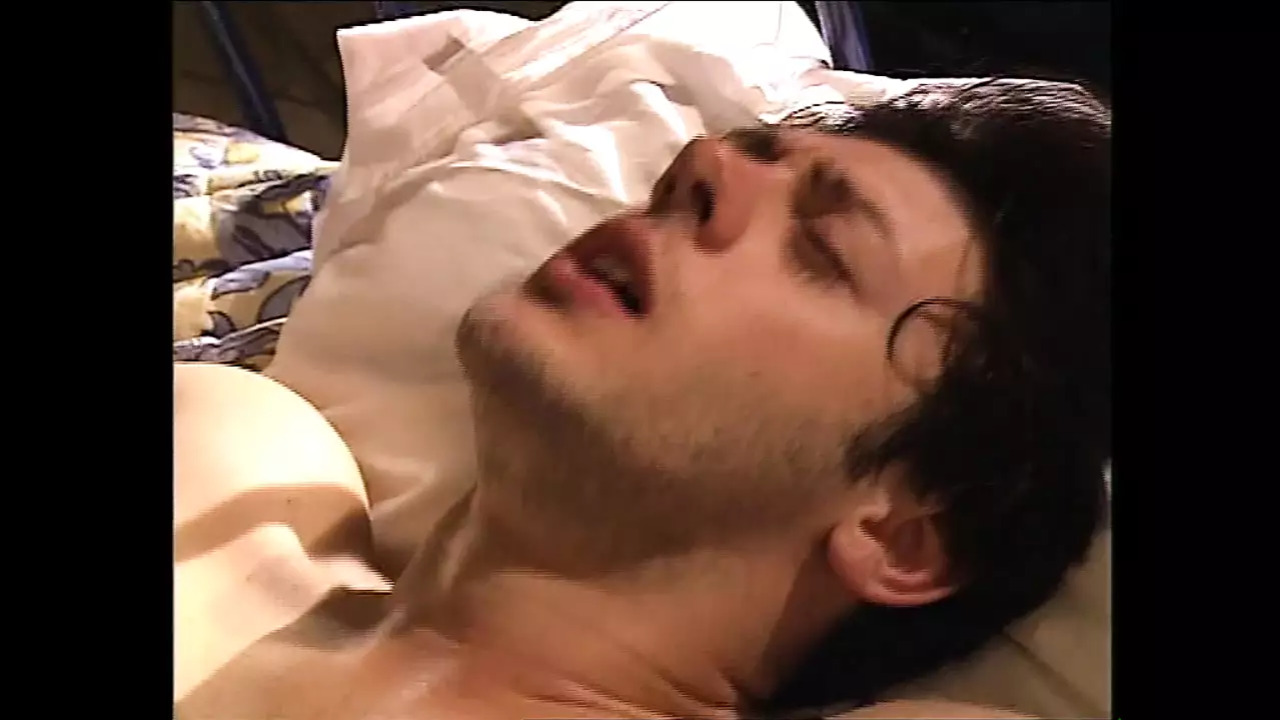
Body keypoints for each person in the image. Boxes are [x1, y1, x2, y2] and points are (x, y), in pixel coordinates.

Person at [176, 77, 1110, 720]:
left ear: (901, 536)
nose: (702, 163)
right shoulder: (232, 456)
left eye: (822, 251)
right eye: (749, 154)